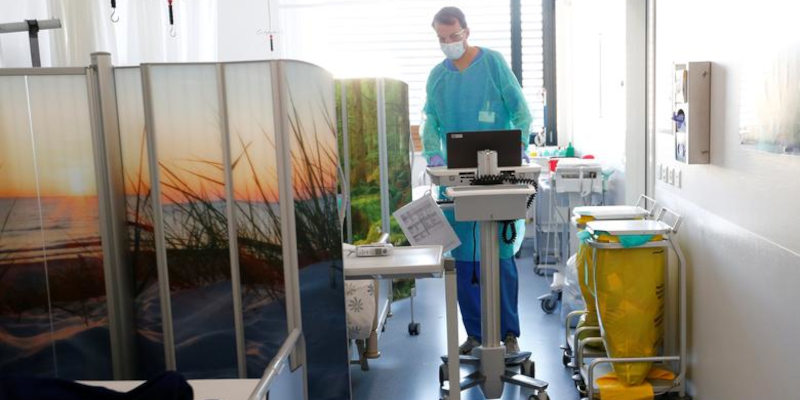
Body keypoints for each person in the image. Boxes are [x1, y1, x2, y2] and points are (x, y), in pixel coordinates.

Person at [421, 6, 532, 355]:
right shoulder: (437, 77)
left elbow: (520, 110)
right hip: (457, 181)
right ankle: (475, 333)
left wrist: (521, 146)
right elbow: (430, 121)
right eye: (442, 39)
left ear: (466, 31)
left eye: (453, 36)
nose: (449, 43)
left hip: (499, 178)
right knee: (465, 262)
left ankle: (508, 334)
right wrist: (432, 155)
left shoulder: (493, 64)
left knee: (500, 259)